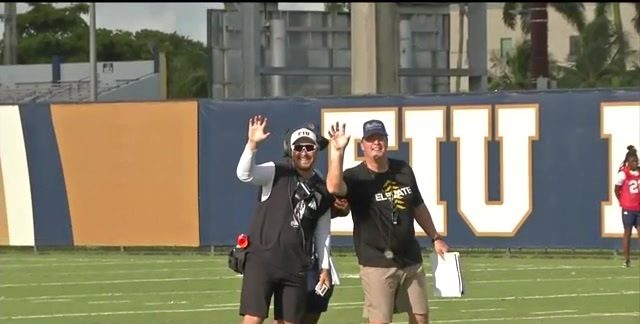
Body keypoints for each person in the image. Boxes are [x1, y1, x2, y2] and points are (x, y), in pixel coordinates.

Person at [325, 119, 450, 324]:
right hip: (377, 261)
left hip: (410, 257)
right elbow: (333, 187)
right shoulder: (356, 176)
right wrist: (338, 152)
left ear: (387, 141)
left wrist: (435, 237)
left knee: (420, 317)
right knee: (380, 321)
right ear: (362, 145)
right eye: (371, 139)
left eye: (380, 138)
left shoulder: (403, 170)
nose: (376, 143)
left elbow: (418, 205)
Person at [236, 115, 336, 324]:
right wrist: (252, 144)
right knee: (253, 318)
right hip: (262, 260)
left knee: (289, 321)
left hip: (296, 264)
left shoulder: (323, 189)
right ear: (290, 151)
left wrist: (325, 267)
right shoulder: (276, 171)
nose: (303, 153)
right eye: (298, 148)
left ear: (317, 150)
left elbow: (322, 232)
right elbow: (244, 174)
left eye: (309, 147)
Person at [614, 145, 640, 268]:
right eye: (633, 161)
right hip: (628, 208)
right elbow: (616, 189)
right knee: (627, 233)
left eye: (637, 160)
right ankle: (626, 259)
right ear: (628, 162)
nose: (636, 163)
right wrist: (622, 200)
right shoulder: (623, 174)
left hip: (639, 207)